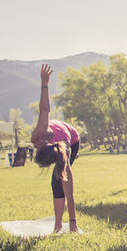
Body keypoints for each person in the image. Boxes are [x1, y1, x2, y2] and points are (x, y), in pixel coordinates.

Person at [30, 64, 81, 234]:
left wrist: (45, 83)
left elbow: (45, 108)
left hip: (72, 139)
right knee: (57, 181)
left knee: (59, 181)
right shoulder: (38, 136)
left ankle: (63, 225)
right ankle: (58, 226)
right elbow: (44, 111)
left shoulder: (42, 134)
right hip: (59, 137)